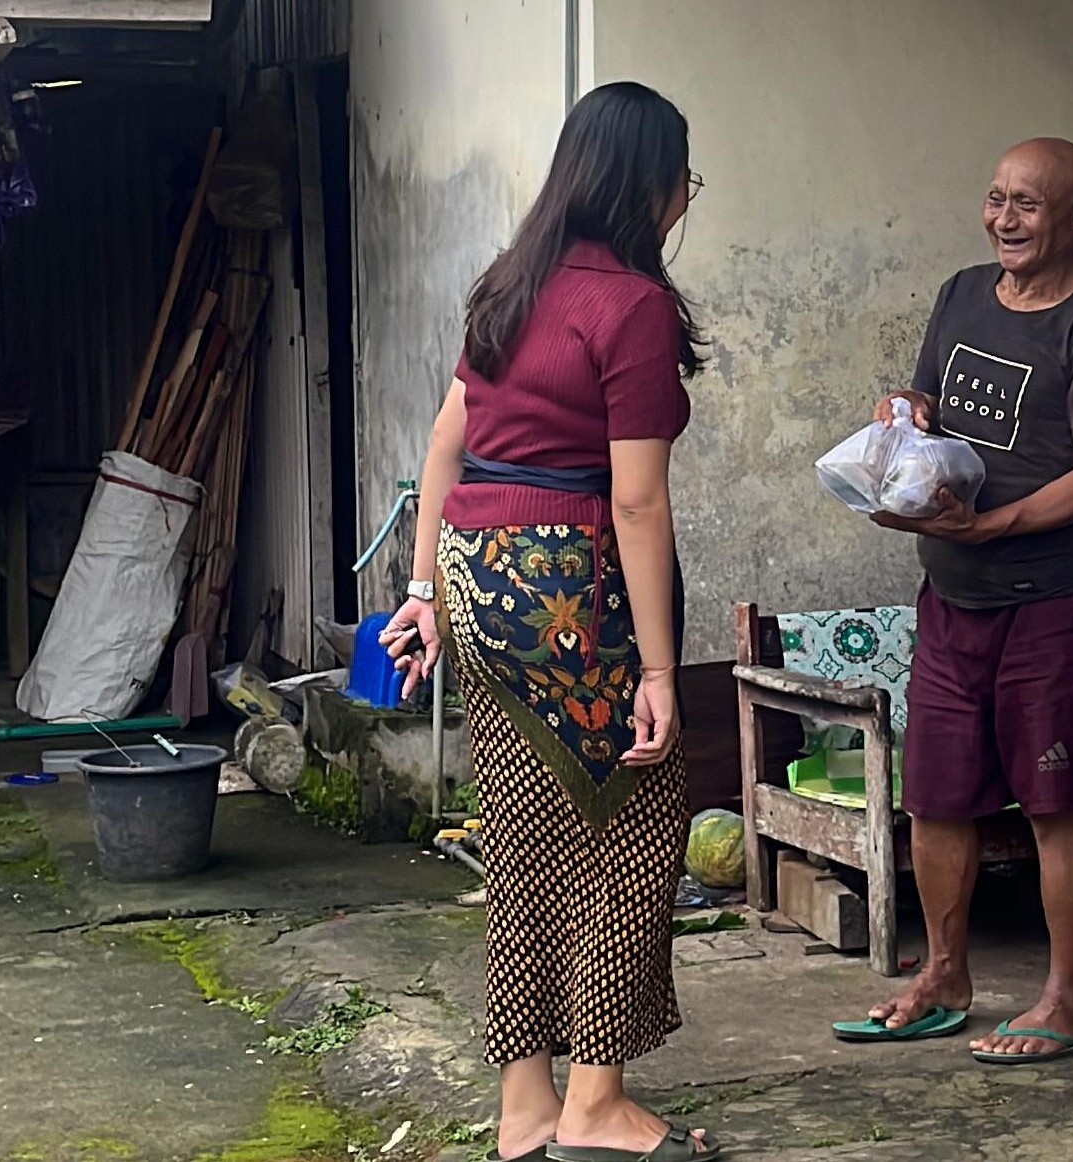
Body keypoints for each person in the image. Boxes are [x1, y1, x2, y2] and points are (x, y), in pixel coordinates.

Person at [384, 81, 720, 1162]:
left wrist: (423, 592)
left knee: (527, 838)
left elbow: (445, 442)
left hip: (477, 579)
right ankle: (596, 1104)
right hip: (569, 587)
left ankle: (524, 1107)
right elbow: (635, 499)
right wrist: (659, 671)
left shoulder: (510, 282)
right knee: (630, 824)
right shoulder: (629, 304)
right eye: (683, 178)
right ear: (649, 183)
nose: (684, 199)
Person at [836, 138, 1073, 1064]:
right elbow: (926, 399)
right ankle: (943, 977)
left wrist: (995, 526)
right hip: (952, 592)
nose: (1005, 220)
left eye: (1030, 206)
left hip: (1051, 599)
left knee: (1053, 802)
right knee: (935, 797)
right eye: (997, 199)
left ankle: (1067, 1001)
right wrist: (906, 411)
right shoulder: (963, 293)